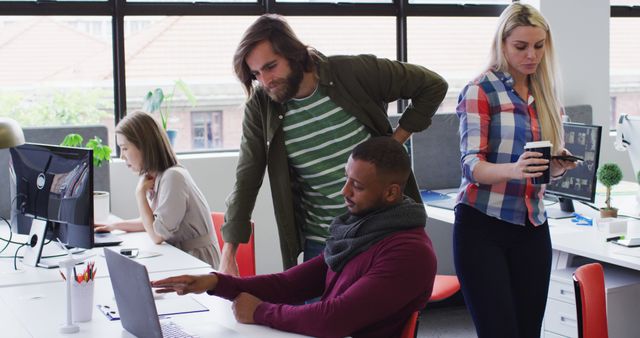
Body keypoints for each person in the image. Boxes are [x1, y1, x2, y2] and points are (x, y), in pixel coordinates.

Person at [221, 14, 448, 275]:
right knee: (317, 314)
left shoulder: (353, 72)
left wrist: (394, 143)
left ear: (294, 54)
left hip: (383, 229)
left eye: (271, 66)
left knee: (387, 314)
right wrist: (229, 255)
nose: (265, 80)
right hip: (324, 241)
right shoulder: (261, 107)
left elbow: (433, 85)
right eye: (256, 73)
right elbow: (246, 179)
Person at [152, 137, 437, 338]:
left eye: (357, 186)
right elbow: (289, 284)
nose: (345, 192)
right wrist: (215, 282)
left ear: (391, 193)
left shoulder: (409, 252)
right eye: (346, 179)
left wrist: (261, 312)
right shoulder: (359, 231)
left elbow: (334, 319)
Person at [454, 3, 578, 338]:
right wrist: (514, 169)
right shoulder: (480, 90)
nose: (531, 56)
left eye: (539, 46)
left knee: (528, 332)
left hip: (533, 225)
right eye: (520, 47)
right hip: (483, 225)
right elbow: (471, 167)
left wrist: (556, 166)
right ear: (503, 45)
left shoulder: (546, 94)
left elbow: (541, 174)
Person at [96, 111, 221, 268]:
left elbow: (157, 234)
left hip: (198, 262)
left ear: (144, 146)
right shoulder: (159, 176)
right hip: (182, 256)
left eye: (125, 148)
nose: (122, 156)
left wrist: (140, 194)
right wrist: (114, 226)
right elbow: (153, 223)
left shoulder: (173, 177)